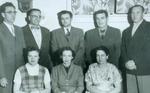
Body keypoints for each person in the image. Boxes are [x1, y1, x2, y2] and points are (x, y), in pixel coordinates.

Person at [121, 5, 150, 93]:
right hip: (129, 70)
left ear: (143, 14)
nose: (134, 15)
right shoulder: (126, 31)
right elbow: (123, 49)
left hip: (144, 70)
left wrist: (135, 61)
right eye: (132, 13)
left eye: (138, 12)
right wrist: (126, 62)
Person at [0, 2, 26, 93]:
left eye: (14, 12)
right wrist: (1, 76)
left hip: (19, 72)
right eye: (9, 12)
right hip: (5, 74)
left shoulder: (19, 30)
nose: (13, 15)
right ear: (3, 14)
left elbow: (24, 52)